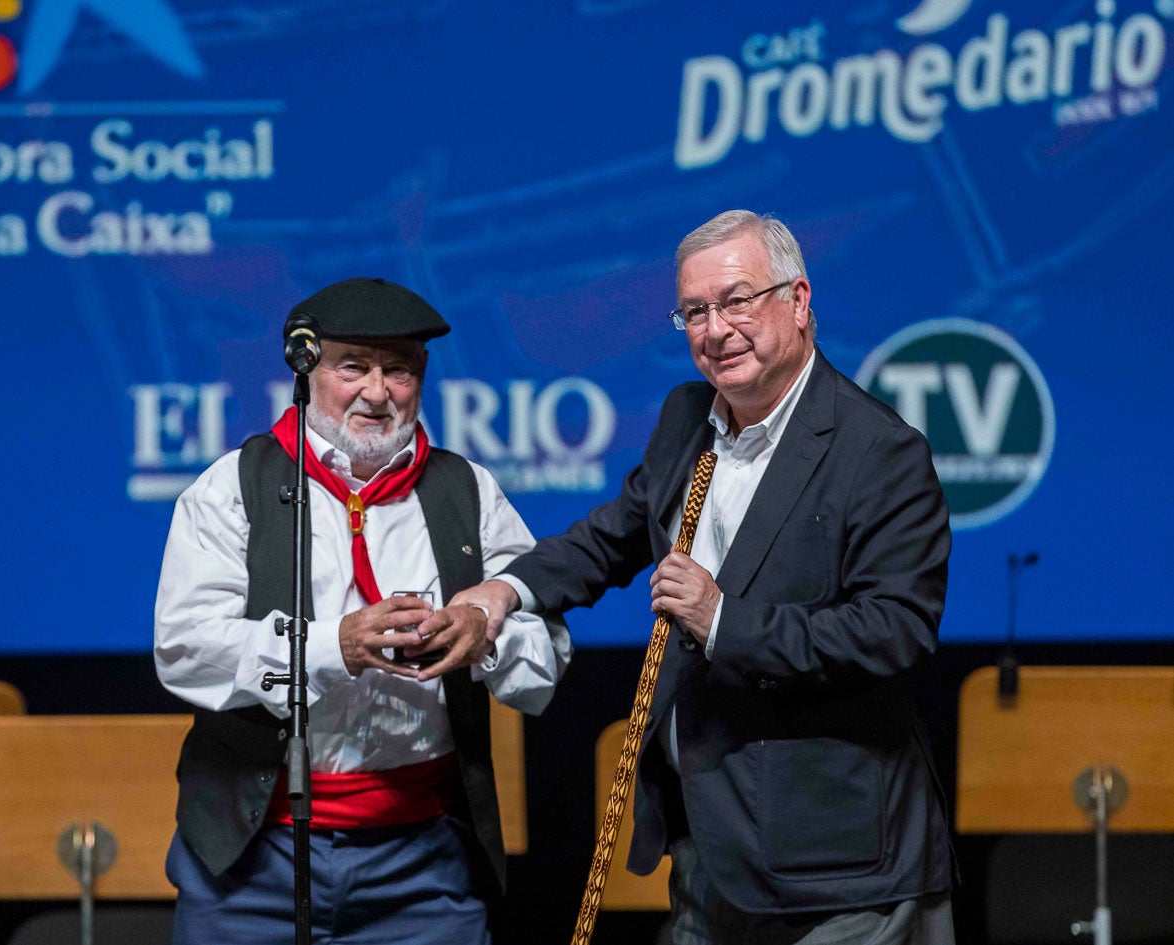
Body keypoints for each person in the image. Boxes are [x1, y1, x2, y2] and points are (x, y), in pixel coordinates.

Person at [455, 211, 955, 943]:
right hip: (711, 848)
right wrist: (508, 589)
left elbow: (894, 630)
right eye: (694, 311)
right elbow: (612, 534)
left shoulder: (878, 450)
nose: (715, 328)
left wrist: (723, 618)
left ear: (798, 300)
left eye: (737, 300)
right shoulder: (686, 415)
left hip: (844, 869)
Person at [154, 276, 570, 945]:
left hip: (423, 866)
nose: (377, 392)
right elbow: (183, 648)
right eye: (353, 367)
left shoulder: (467, 490)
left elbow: (546, 656)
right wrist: (334, 645)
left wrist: (482, 635)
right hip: (253, 861)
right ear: (309, 369)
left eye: (398, 370)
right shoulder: (232, 487)